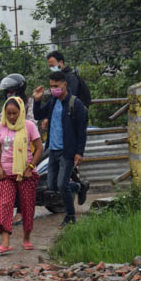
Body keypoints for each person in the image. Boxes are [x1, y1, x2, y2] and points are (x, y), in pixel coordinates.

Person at [33, 71, 90, 227]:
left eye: (56, 86)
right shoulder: (52, 101)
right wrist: (37, 100)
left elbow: (81, 132)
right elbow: (38, 115)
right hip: (53, 149)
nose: (53, 89)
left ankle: (70, 216)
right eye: (51, 86)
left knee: (61, 185)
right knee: (52, 186)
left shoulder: (75, 104)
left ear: (65, 84)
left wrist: (79, 152)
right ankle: (79, 186)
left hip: (68, 151)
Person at [0, 97, 43, 254]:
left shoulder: (29, 126)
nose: (12, 117)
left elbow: (39, 148)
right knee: (5, 205)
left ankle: (26, 238)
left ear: (21, 112)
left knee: (27, 206)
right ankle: (5, 241)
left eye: (15, 113)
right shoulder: (1, 127)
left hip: (25, 173)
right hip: (6, 174)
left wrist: (31, 167)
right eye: (9, 114)